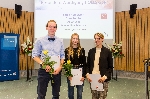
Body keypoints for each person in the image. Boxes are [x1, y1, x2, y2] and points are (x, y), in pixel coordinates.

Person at [32, 20, 65, 99]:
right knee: (41, 95)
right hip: (44, 71)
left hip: (56, 70)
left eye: (54, 27)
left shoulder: (60, 41)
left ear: (56, 29)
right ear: (46, 28)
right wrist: (43, 64)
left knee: (56, 95)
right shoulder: (40, 40)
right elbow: (34, 55)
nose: (52, 28)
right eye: (50, 26)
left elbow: (62, 56)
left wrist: (60, 67)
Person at [86, 33, 113, 99]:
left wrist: (104, 77)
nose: (96, 40)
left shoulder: (107, 51)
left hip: (103, 79)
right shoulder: (91, 51)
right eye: (95, 38)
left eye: (99, 38)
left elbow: (110, 67)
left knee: (102, 97)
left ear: (102, 39)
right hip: (93, 78)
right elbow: (88, 65)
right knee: (94, 97)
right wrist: (87, 75)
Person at [64, 33, 86, 99]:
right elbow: (65, 63)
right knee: (70, 92)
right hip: (71, 71)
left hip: (80, 71)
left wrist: (83, 75)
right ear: (71, 39)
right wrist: (68, 74)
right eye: (74, 38)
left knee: (79, 92)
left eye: (76, 39)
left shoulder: (82, 50)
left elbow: (84, 63)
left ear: (78, 40)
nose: (75, 40)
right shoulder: (67, 50)